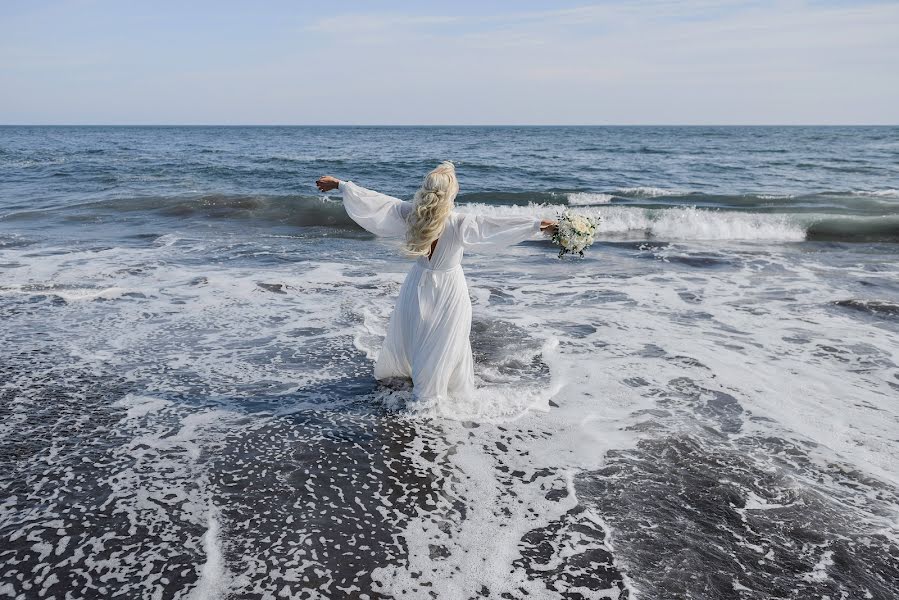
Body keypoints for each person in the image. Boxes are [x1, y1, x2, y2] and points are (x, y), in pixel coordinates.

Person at [316, 161, 557, 408]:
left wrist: (340, 185)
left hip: (418, 282)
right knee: (444, 339)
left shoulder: (411, 213)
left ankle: (414, 383)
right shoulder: (460, 222)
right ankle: (430, 396)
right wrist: (538, 224)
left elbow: (377, 202)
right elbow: (497, 225)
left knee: (418, 333)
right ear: (450, 192)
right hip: (449, 287)